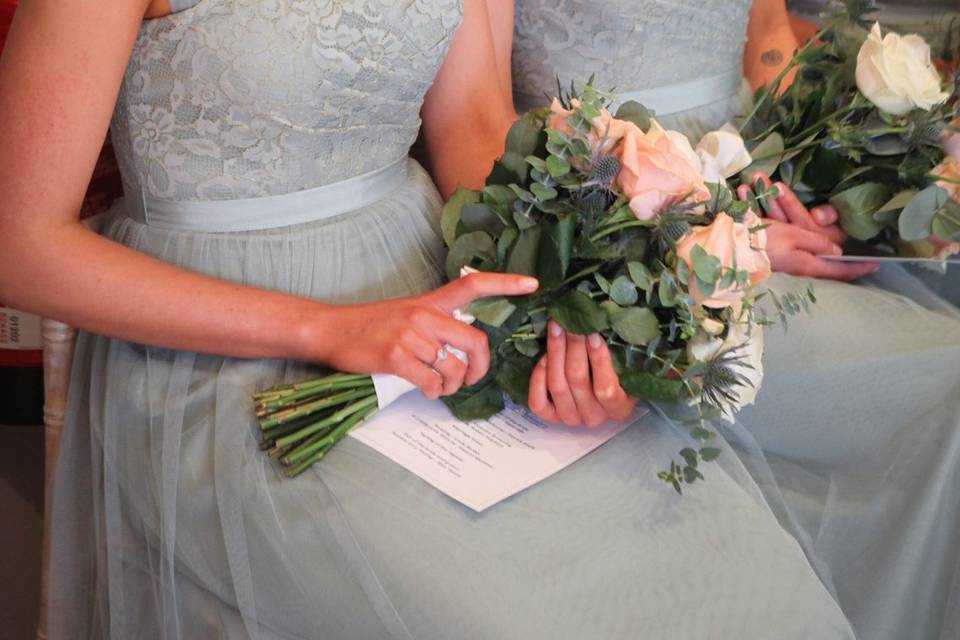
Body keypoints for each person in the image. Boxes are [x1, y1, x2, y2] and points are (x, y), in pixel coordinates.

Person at [0, 0, 855, 638]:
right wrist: (325, 330)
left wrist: (575, 317)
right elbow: (17, 242)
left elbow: (473, 129)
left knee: (736, 578)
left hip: (437, 297)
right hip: (222, 345)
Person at [511, 1, 960, 638]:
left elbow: (768, 31)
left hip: (746, 161)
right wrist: (725, 235)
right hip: (614, 198)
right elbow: (477, 119)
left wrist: (801, 171)